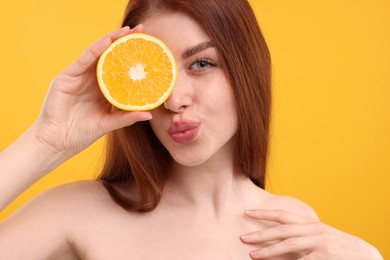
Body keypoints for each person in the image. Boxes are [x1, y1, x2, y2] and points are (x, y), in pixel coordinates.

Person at [0, 0, 383, 259]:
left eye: (201, 64)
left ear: (246, 70)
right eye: (155, 73)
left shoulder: (288, 226)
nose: (173, 100)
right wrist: (44, 141)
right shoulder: (75, 212)